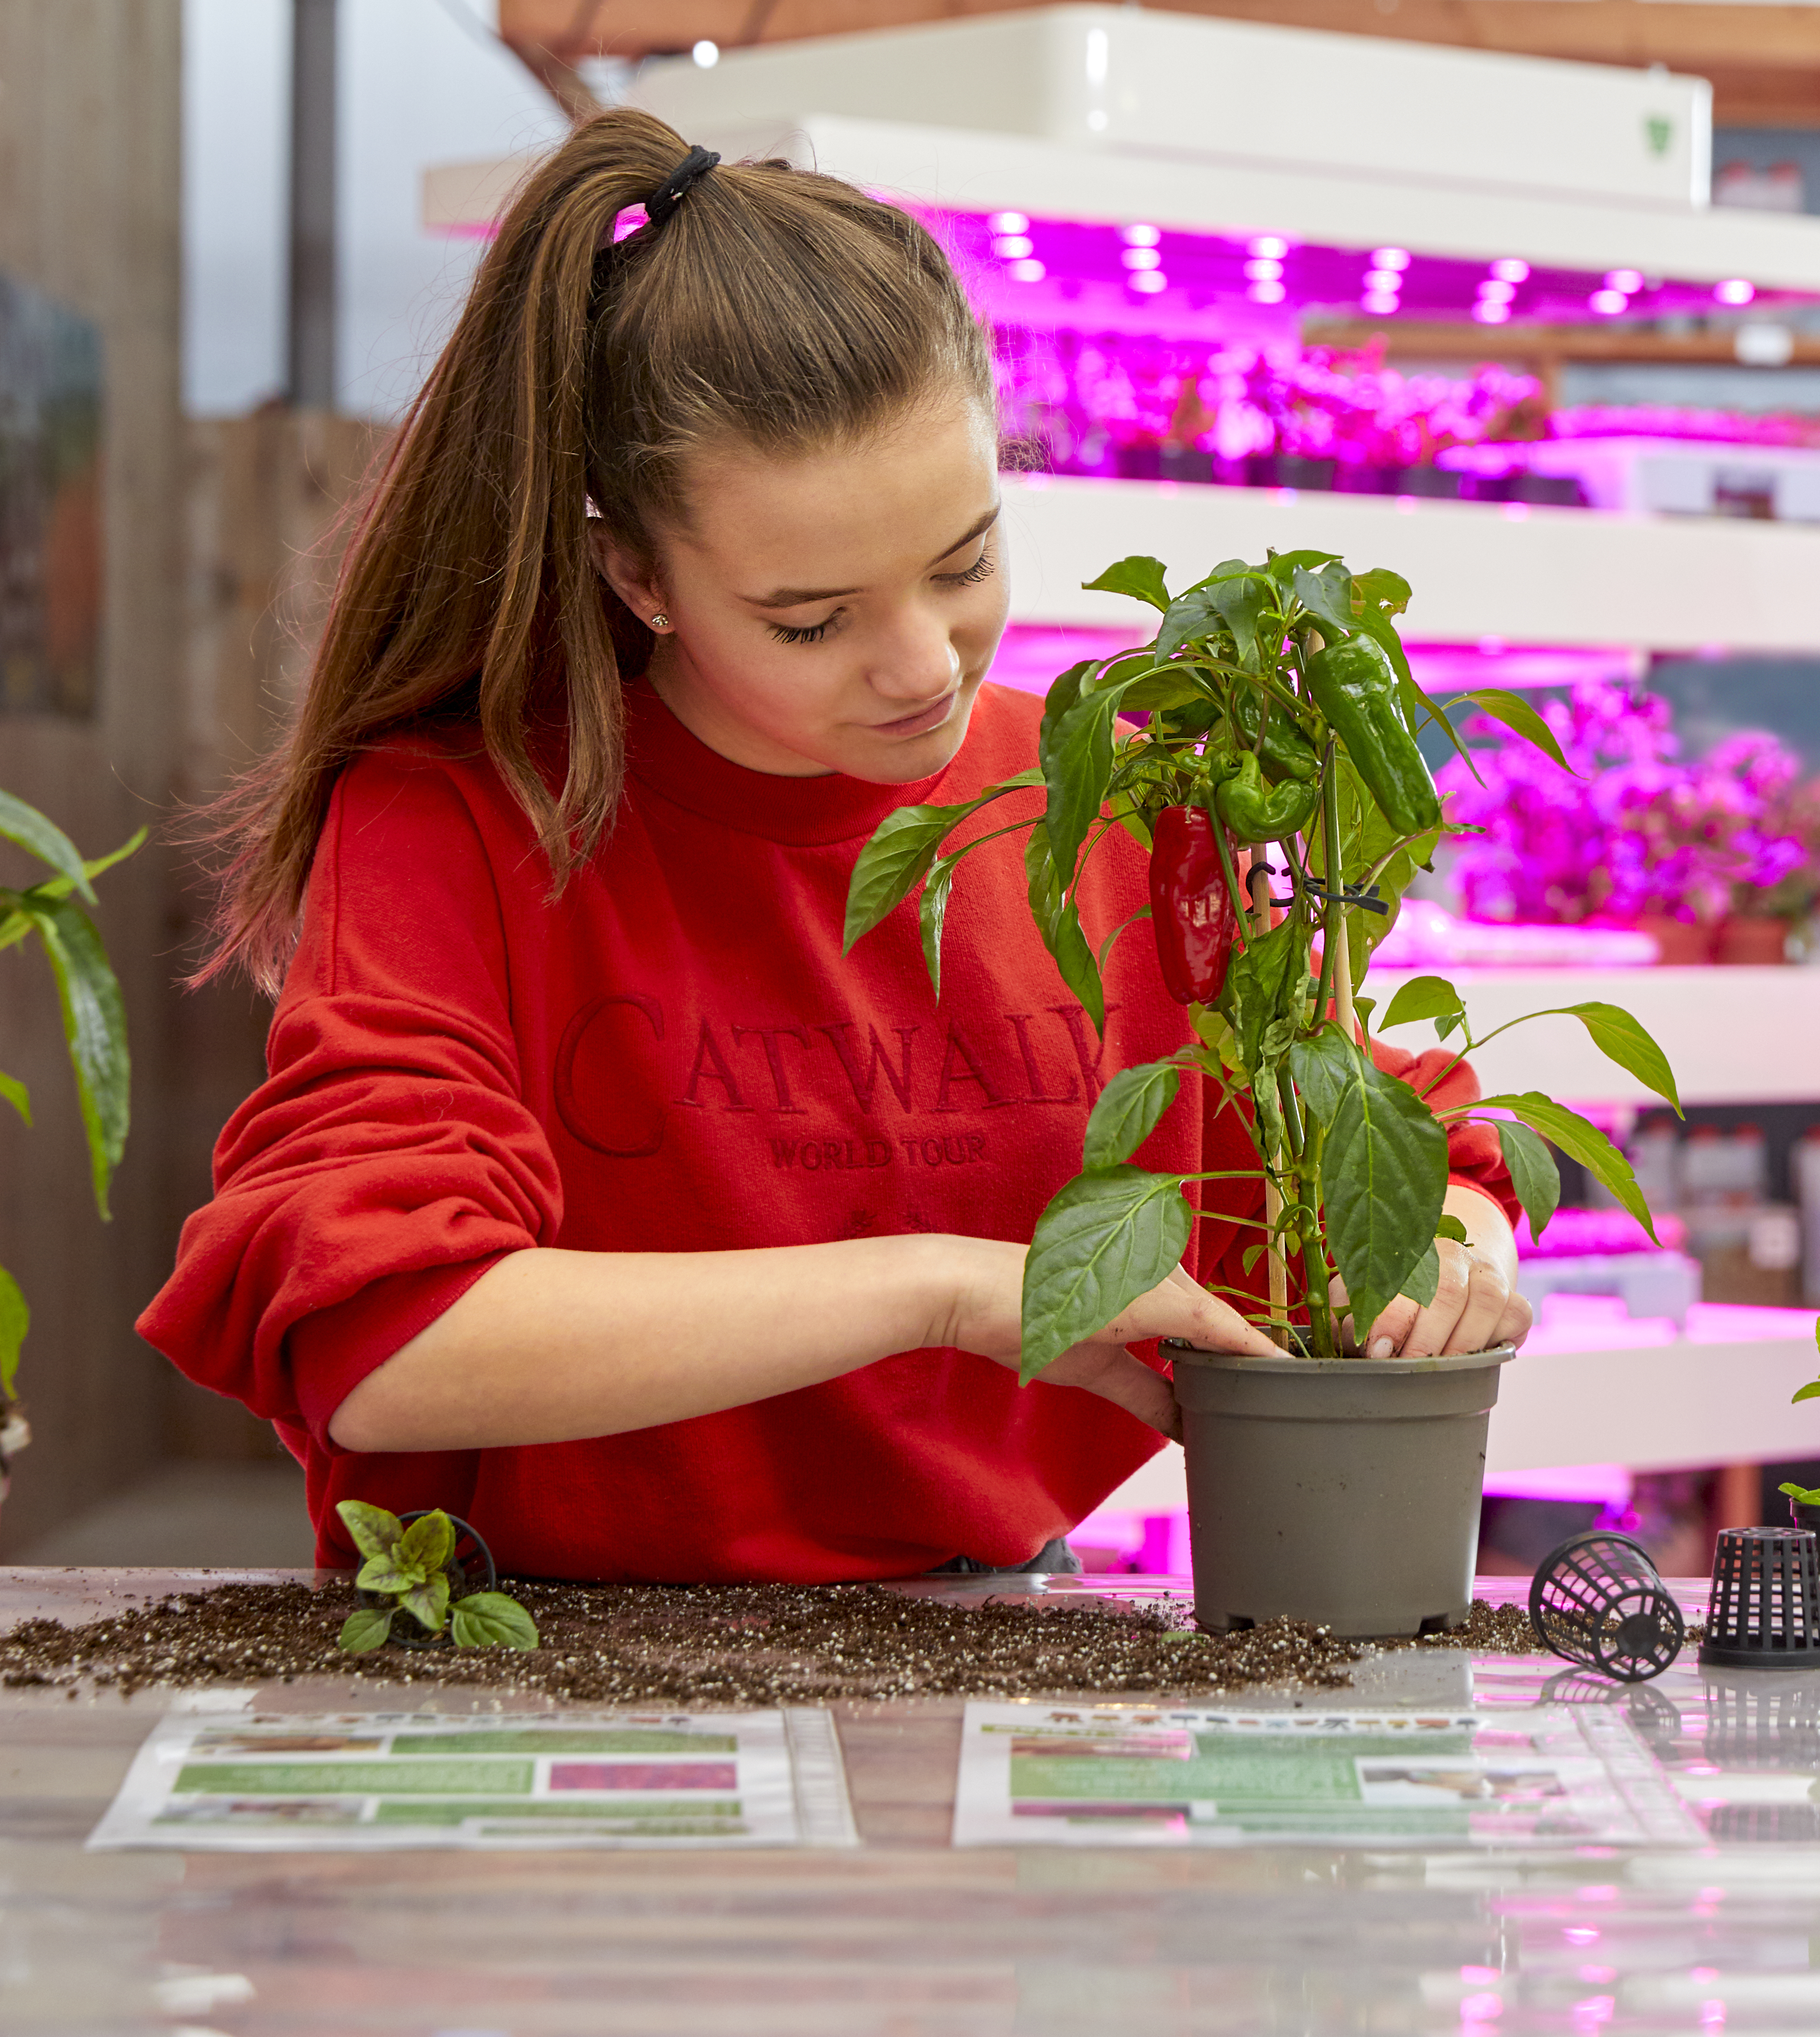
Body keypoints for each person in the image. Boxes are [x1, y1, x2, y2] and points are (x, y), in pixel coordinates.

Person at [139, 111, 1528, 1583]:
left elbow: (1381, 1142)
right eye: (812, 620)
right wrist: (939, 1290)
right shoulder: (461, 818)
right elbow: (384, 1337)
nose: (922, 665)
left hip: (1000, 1636)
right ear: (639, 576)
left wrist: (1457, 1248)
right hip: (544, 1659)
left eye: (965, 560)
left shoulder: (1128, 802)